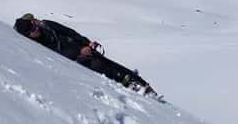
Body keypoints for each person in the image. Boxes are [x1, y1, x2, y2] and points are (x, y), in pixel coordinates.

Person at [13, 13, 156, 96]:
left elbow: (69, 32)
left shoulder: (46, 25)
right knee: (100, 67)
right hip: (76, 60)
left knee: (109, 64)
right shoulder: (37, 47)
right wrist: (80, 54)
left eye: (34, 26)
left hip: (80, 48)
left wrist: (87, 42)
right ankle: (130, 85)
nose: (36, 29)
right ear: (28, 35)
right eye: (32, 30)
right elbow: (57, 57)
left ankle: (140, 83)